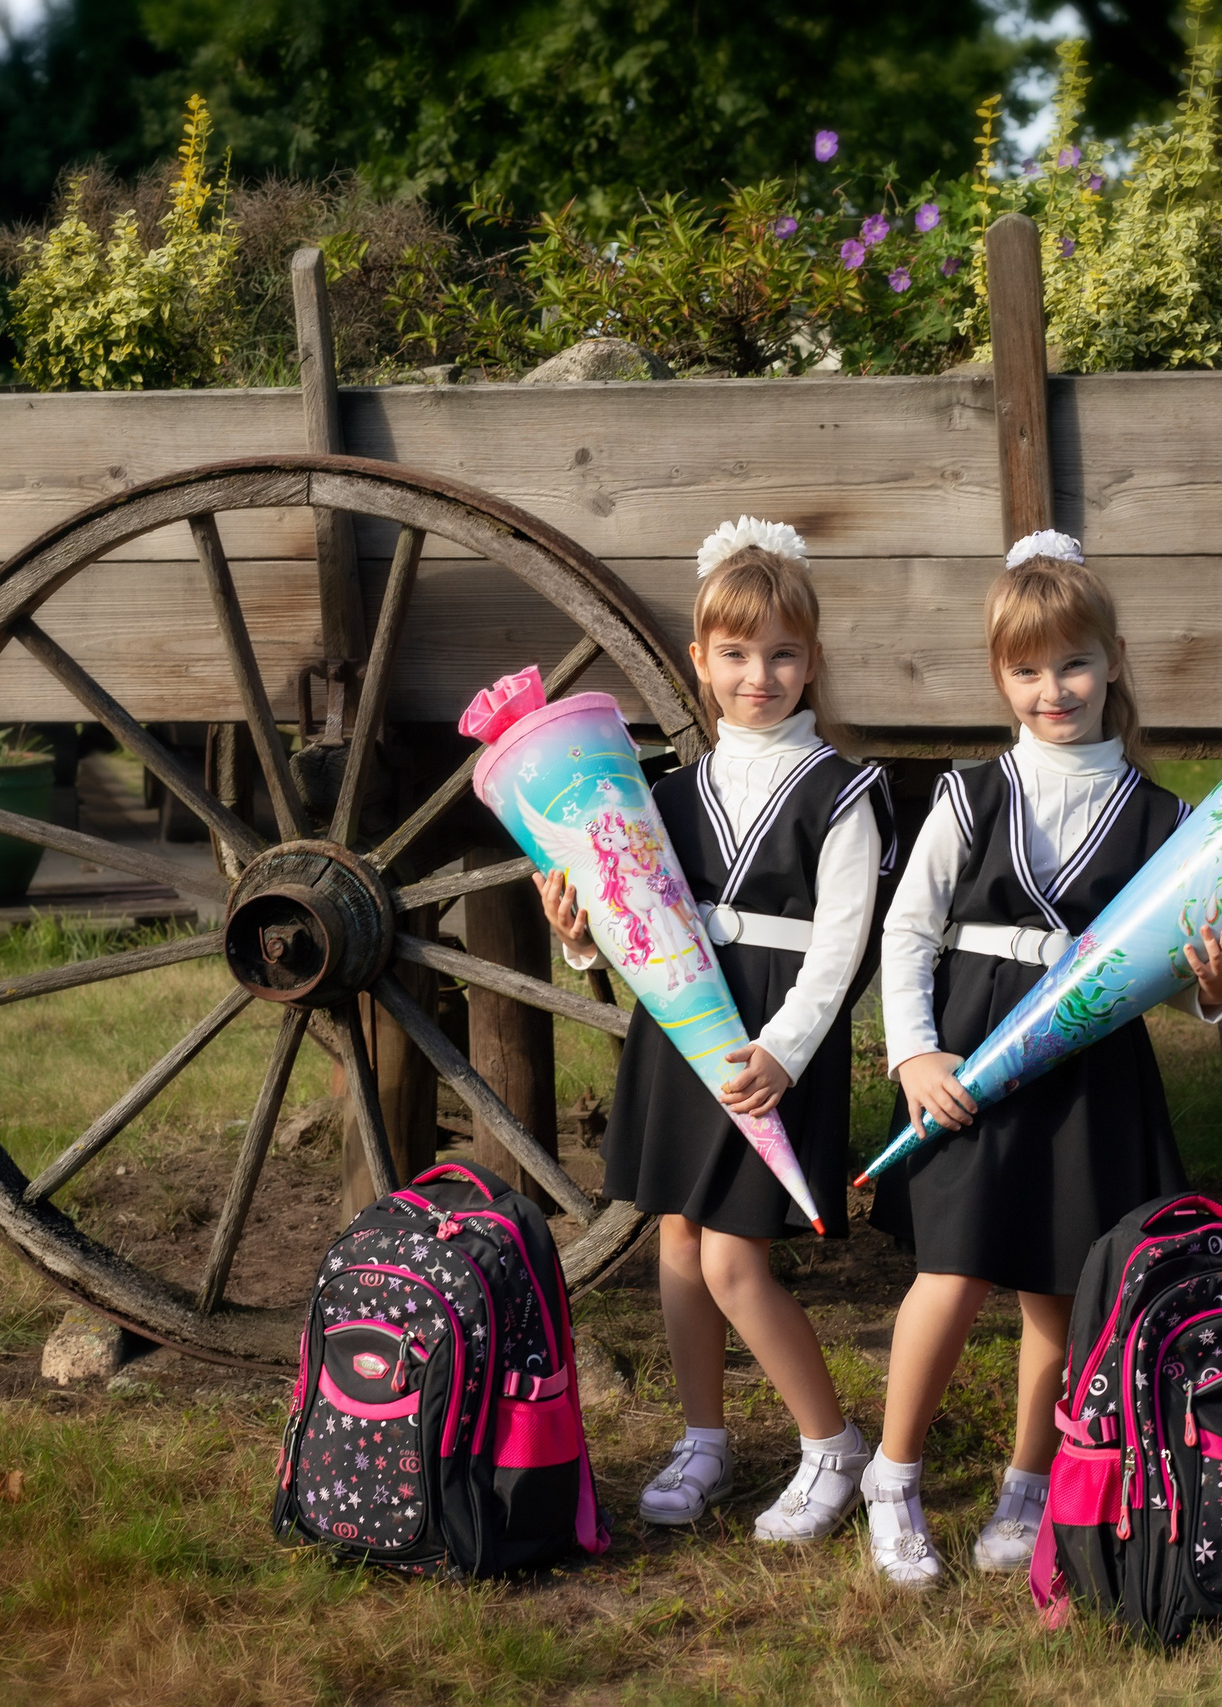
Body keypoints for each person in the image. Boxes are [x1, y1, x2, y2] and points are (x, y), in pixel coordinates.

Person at [860, 530, 1222, 1587]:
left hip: (1091, 1066)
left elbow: (1189, 980)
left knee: (1063, 1288)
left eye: (1074, 663)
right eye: (1028, 669)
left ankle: (1026, 1484)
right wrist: (913, 1055)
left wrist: (1219, 987)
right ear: (1000, 677)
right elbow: (906, 933)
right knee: (949, 1274)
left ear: (1114, 660)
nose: (1055, 688)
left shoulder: (1171, 823)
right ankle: (891, 1479)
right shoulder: (969, 796)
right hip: (973, 1055)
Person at [536, 516, 892, 1540]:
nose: (759, 676)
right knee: (680, 1247)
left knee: (737, 1259)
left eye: (782, 654)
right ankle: (705, 1438)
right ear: (699, 661)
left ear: (813, 659)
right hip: (681, 1033)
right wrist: (579, 941)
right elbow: (630, 917)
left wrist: (784, 1049)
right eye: (734, 655)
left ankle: (833, 1446)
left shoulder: (844, 791)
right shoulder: (663, 792)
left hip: (772, 1045)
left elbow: (841, 944)